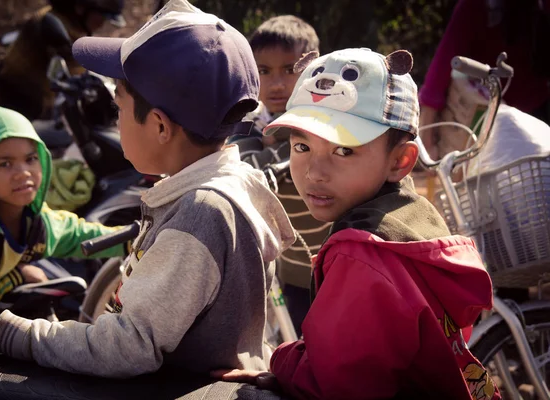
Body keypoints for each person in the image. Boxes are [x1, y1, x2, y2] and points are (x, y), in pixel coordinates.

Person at [0, 0, 295, 378]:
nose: (117, 120)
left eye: (119, 107)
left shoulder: (201, 213)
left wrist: (4, 333)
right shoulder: (230, 184)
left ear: (160, 127)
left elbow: (127, 346)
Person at [217, 48, 500, 399]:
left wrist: (280, 360)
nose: (315, 173)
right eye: (302, 146)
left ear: (400, 161)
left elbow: (335, 386)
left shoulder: (362, 256)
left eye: (344, 151)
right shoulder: (411, 218)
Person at [0, 104, 129, 321]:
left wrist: (135, 240)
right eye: (5, 164)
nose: (23, 173)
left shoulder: (37, 221)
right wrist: (18, 276)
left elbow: (80, 236)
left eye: (31, 159)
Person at [234, 15, 326, 334]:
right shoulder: (251, 123)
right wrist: (282, 144)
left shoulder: (328, 121)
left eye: (290, 70)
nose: (276, 84)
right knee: (303, 340)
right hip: (294, 271)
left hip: (338, 264)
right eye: (264, 71)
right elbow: (246, 166)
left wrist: (282, 142)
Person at [419, 0, 550, 160]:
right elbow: (442, 67)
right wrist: (427, 139)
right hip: (486, 117)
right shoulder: (476, 6)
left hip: (536, 117)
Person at [0, 0, 126, 121]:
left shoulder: (66, 23)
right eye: (102, 16)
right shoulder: (52, 25)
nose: (102, 24)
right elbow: (76, 69)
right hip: (4, 107)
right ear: (81, 7)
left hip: (25, 107)